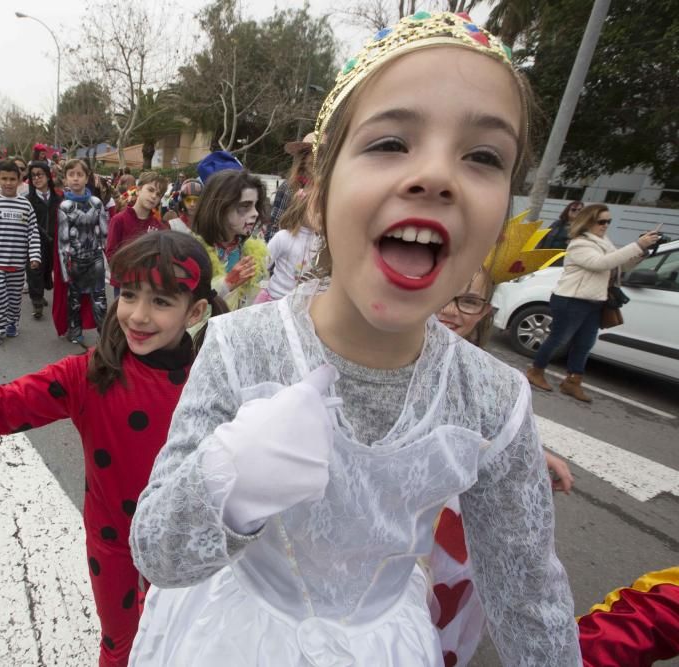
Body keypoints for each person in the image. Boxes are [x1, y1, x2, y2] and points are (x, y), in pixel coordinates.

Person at [128, 12, 581, 666]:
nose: (436, 176)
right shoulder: (238, 345)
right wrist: (228, 485)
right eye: (391, 142)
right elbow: (159, 552)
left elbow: (529, 594)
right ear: (316, 194)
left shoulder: (493, 402)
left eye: (483, 156)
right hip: (225, 638)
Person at [0, 232, 228, 667]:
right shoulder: (88, 375)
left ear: (194, 310)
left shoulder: (218, 378)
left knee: (186, 641)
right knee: (123, 644)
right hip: (115, 547)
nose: (138, 316)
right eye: (128, 295)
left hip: (191, 546)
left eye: (161, 302)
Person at [431, 267, 574, 666]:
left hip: (460, 521)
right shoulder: (388, 355)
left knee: (448, 599)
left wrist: (534, 454)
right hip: (415, 519)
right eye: (443, 292)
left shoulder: (490, 378)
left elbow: (491, 431)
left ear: (486, 311)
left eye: (470, 301)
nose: (450, 310)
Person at [526, 204, 660, 402]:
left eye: (608, 221)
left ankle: (572, 382)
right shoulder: (579, 243)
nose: (605, 225)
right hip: (571, 299)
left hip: (595, 301)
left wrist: (641, 252)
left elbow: (619, 265)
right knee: (559, 339)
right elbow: (600, 264)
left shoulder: (604, 242)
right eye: (601, 221)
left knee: (585, 344)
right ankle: (536, 371)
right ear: (588, 222)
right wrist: (637, 244)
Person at [0, 159, 41, 346]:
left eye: (12, 179)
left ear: (19, 179)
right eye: (4, 179)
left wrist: (34, 255)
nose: (8, 183)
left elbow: (33, 233)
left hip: (17, 264)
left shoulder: (25, 205)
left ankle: (11, 323)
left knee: (13, 298)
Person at [191, 168, 269, 311]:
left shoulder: (253, 252)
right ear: (220, 207)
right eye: (245, 205)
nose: (255, 213)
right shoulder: (191, 250)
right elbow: (186, 302)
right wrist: (226, 284)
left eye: (255, 205)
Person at [56, 158, 109, 346]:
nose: (76, 179)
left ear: (87, 178)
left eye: (80, 174)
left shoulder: (97, 203)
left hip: (95, 258)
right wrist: (64, 270)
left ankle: (106, 334)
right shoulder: (64, 207)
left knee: (100, 298)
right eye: (71, 175)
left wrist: (107, 259)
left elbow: (104, 233)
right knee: (75, 299)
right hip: (75, 260)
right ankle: (75, 331)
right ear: (66, 179)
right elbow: (63, 240)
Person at [255, 194, 322, 303]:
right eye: (317, 209)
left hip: (302, 304)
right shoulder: (283, 237)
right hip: (276, 300)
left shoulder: (320, 242)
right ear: (301, 208)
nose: (321, 215)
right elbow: (262, 265)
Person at [24, 160, 63, 320]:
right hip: (34, 242)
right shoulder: (27, 200)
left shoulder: (59, 199)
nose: (36, 178)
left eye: (40, 174)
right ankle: (37, 301)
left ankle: (41, 292)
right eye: (33, 176)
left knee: (48, 270)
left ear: (48, 176)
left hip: (54, 241)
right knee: (35, 271)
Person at [269, 132, 316, 241]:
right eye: (313, 153)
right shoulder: (288, 187)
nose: (317, 159)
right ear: (303, 157)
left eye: (323, 154)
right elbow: (274, 227)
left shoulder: (329, 191)